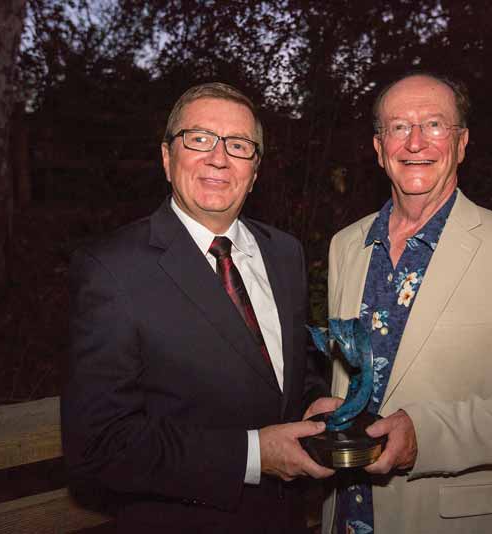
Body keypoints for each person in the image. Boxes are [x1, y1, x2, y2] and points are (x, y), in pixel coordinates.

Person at [62, 82, 339, 533]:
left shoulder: (285, 253)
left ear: (255, 171)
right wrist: (254, 456)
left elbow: (288, 373)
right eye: (199, 138)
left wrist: (313, 404)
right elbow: (99, 446)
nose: (219, 157)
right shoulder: (111, 268)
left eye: (239, 145)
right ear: (167, 159)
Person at [320, 72, 492, 533]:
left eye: (435, 125)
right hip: (345, 510)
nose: (416, 141)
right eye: (398, 127)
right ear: (380, 149)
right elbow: (352, 376)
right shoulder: (346, 246)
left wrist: (427, 436)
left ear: (462, 143)